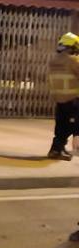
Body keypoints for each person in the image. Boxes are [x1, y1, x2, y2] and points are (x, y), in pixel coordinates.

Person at [46, 33, 79, 161]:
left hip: (60, 99)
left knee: (61, 126)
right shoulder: (73, 60)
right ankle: (58, 149)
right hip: (74, 99)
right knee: (71, 126)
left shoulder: (54, 60)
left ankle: (56, 149)